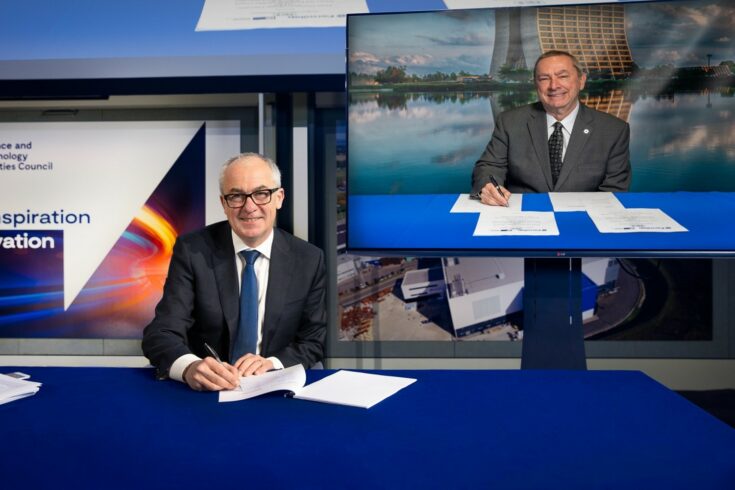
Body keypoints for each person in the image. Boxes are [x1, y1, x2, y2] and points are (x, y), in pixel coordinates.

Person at [142, 153, 326, 391]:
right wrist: (189, 367)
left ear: (279, 198)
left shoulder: (308, 259)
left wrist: (273, 363)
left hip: (275, 388)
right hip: (209, 391)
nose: (250, 207)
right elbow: (161, 332)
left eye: (261, 194)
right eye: (237, 196)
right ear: (224, 203)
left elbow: (313, 340)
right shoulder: (192, 251)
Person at [472, 50, 631, 206]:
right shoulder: (510, 122)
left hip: (582, 220)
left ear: (581, 81)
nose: (554, 86)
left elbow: (614, 191)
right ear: (536, 84)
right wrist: (487, 187)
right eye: (544, 78)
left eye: (562, 76)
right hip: (524, 216)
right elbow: (488, 167)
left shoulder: (614, 130)